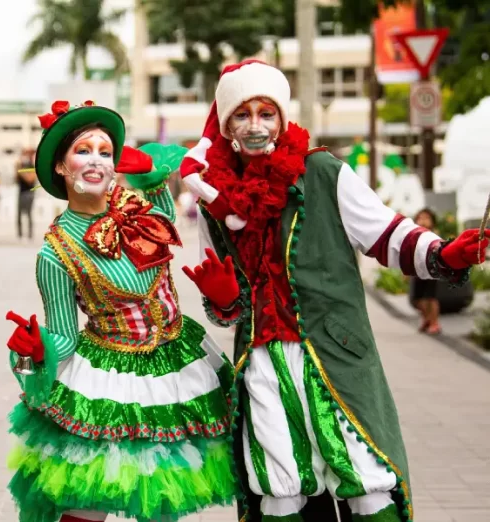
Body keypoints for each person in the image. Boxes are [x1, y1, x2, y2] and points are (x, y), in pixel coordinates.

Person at [179, 59, 489, 522]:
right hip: (262, 363)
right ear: (226, 127)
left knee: (367, 480)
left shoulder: (323, 172)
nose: (256, 126)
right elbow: (224, 312)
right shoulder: (213, 204)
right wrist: (222, 301)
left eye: (267, 113)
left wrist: (444, 255)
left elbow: (387, 235)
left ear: (283, 118)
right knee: (277, 488)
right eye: (242, 115)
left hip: (336, 353)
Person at [5, 100, 237, 522]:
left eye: (105, 151)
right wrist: (34, 352)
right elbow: (63, 335)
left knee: (166, 492)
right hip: (108, 377)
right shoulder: (55, 253)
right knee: (89, 499)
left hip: (178, 363)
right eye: (83, 150)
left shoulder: (139, 209)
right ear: (61, 167)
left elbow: (170, 216)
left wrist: (225, 300)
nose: (96, 160)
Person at [410, 208, 441, 334]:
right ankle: (426, 319)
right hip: (418, 270)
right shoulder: (414, 236)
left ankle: (434, 323)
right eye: (420, 218)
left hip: (432, 270)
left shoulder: (434, 236)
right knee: (418, 299)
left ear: (432, 221)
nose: (423, 221)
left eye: (426, 218)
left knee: (430, 297)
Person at [16, 147, 37, 240]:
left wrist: (21, 171)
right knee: (19, 214)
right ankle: (20, 234)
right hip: (21, 192)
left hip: (29, 193)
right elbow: (16, 179)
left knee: (28, 214)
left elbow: (30, 179)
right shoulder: (21, 165)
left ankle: (29, 234)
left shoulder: (31, 166)